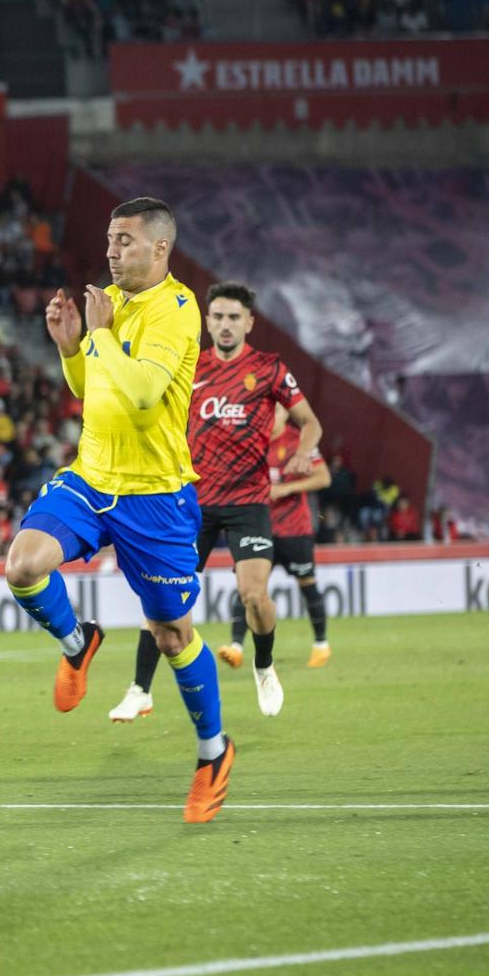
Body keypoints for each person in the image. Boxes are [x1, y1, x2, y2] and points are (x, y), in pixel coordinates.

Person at [3, 198, 234, 822]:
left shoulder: (178, 311)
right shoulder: (113, 298)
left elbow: (140, 396)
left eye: (125, 240)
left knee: (171, 635)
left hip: (155, 495)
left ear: (160, 249)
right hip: (91, 475)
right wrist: (71, 347)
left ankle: (214, 751)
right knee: (23, 565)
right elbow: (89, 388)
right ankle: (77, 642)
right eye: (109, 238)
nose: (111, 250)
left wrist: (99, 334)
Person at [111, 281, 321, 722]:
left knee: (254, 596)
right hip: (192, 502)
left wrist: (303, 450)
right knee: (161, 597)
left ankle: (263, 666)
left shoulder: (268, 368)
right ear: (207, 322)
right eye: (218, 317)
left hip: (249, 502)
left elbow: (310, 422)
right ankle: (139, 689)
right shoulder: (188, 368)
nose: (225, 325)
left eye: (233, 317)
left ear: (249, 322)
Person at [232, 417, 332, 666]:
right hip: (260, 527)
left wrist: (287, 489)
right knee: (249, 589)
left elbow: (324, 478)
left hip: (294, 530)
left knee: (307, 585)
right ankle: (235, 647)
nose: (269, 412)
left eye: (275, 407)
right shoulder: (252, 437)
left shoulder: (298, 440)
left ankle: (321, 645)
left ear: (286, 412)